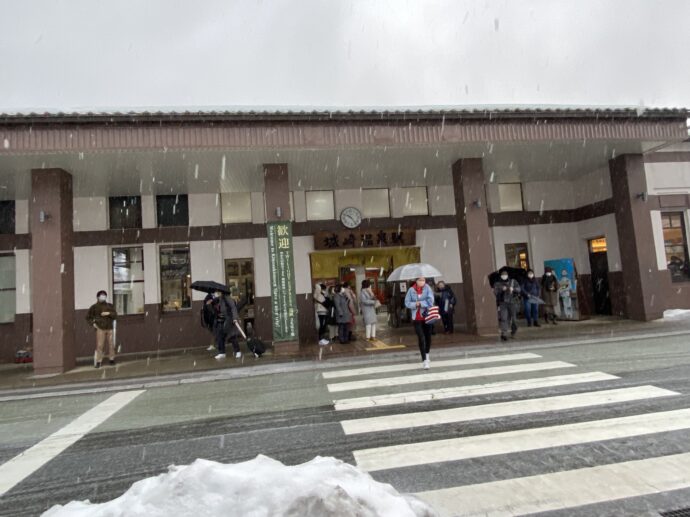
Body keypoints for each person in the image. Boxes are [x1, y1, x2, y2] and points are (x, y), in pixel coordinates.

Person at [405, 276, 435, 369]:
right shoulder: (411, 290)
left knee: (428, 336)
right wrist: (415, 304)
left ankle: (427, 353)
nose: (422, 282)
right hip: (416, 318)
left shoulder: (427, 288)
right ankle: (425, 360)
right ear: (416, 281)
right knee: (421, 337)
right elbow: (407, 302)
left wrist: (420, 303)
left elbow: (431, 301)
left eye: (423, 280)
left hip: (427, 316)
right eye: (420, 280)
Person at [85, 290, 118, 368]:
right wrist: (93, 324)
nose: (103, 296)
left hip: (110, 328)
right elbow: (88, 317)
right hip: (100, 328)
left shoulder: (110, 306)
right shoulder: (94, 307)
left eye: (104, 295)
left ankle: (111, 359)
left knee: (111, 344)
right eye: (102, 295)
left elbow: (115, 315)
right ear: (98, 297)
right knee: (100, 345)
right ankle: (98, 361)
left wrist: (108, 313)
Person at [211, 290, 242, 360]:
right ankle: (222, 352)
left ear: (221, 292)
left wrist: (235, 318)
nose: (216, 293)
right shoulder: (218, 299)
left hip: (229, 319)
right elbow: (218, 309)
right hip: (221, 320)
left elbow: (233, 307)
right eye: (215, 292)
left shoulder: (226, 298)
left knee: (231, 336)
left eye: (217, 292)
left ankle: (237, 351)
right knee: (220, 336)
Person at [493, 268, 521, 341]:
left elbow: (519, 289)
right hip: (503, 303)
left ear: (508, 275)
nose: (504, 276)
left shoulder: (513, 281)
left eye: (505, 275)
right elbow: (495, 292)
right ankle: (504, 334)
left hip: (512, 302)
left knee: (514, 319)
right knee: (504, 318)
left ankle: (514, 331)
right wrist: (502, 289)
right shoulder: (497, 283)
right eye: (502, 275)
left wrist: (513, 289)